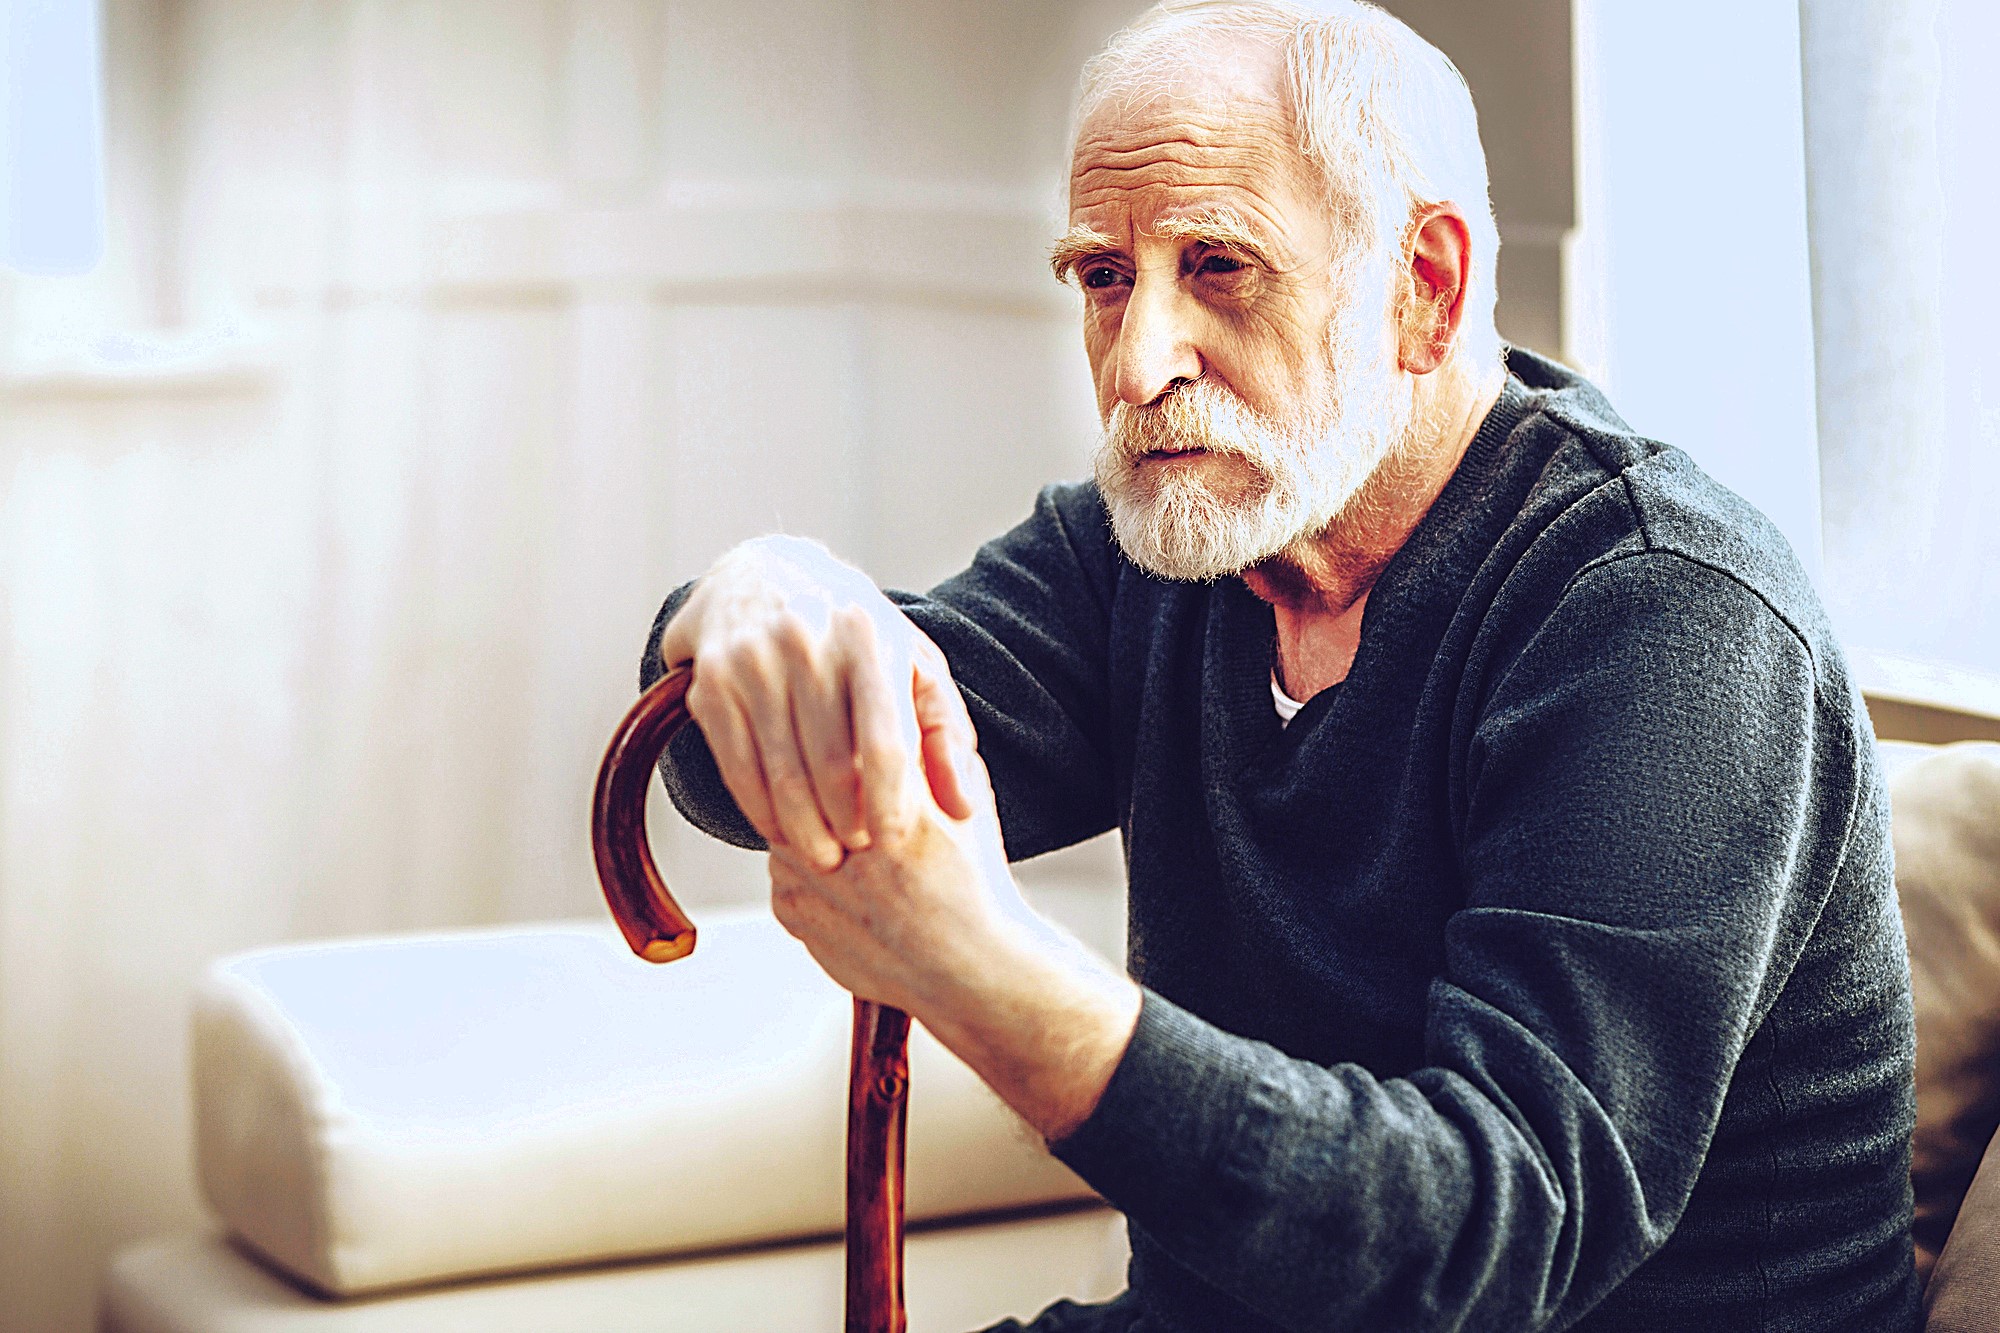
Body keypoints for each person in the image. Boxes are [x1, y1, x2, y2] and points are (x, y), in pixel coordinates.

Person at [639, 1, 1922, 1328]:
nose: (1138, 366)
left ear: (1422, 288)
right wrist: (753, 602)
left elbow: (1488, 1236)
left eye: (1220, 266)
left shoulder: (1662, 610)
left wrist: (983, 968)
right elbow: (753, 761)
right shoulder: (1165, 545)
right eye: (1104, 277)